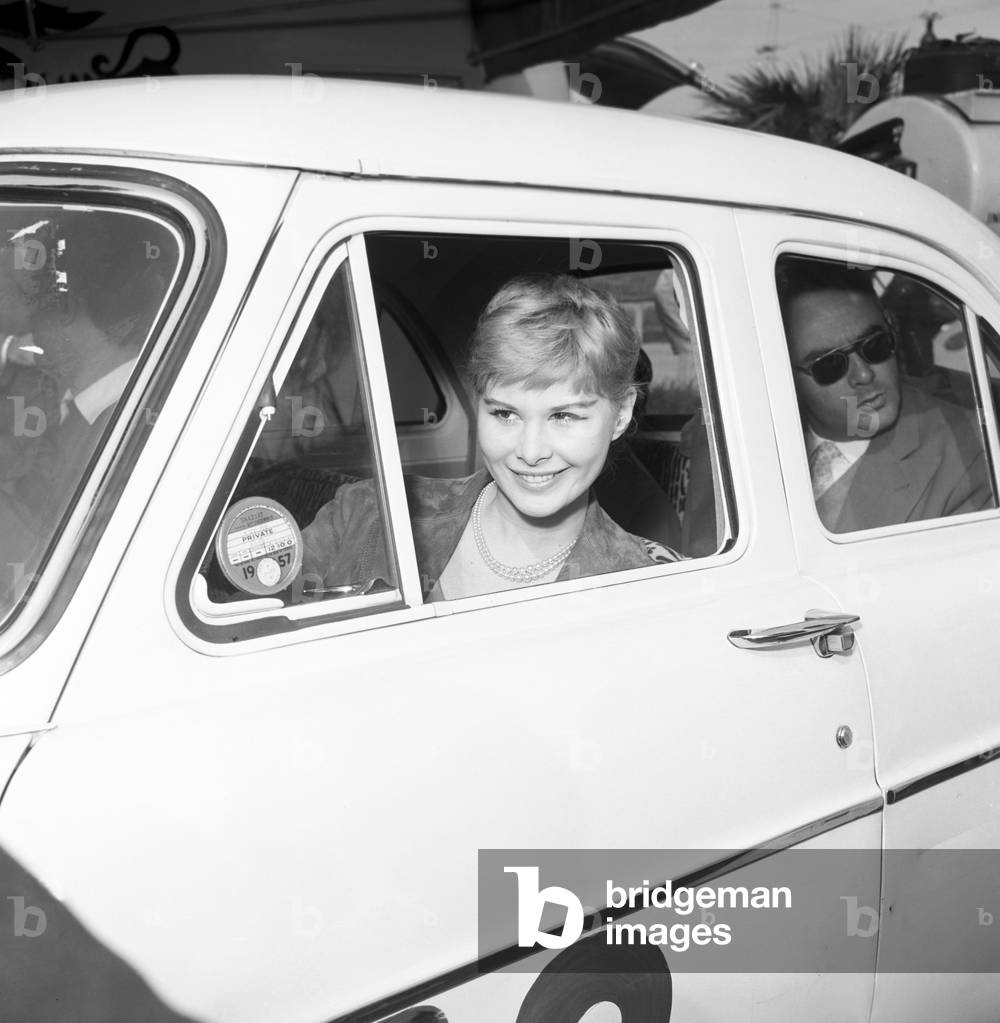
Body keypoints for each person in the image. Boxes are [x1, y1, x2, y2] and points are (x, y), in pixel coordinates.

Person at [300, 274, 679, 601]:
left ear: (622, 413)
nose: (530, 452)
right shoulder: (366, 512)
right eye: (505, 414)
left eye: (563, 416)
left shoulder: (652, 588)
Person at [778, 257, 993, 532]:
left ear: (892, 328)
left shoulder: (972, 449)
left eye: (875, 345)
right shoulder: (749, 446)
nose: (864, 375)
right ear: (785, 374)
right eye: (830, 365)